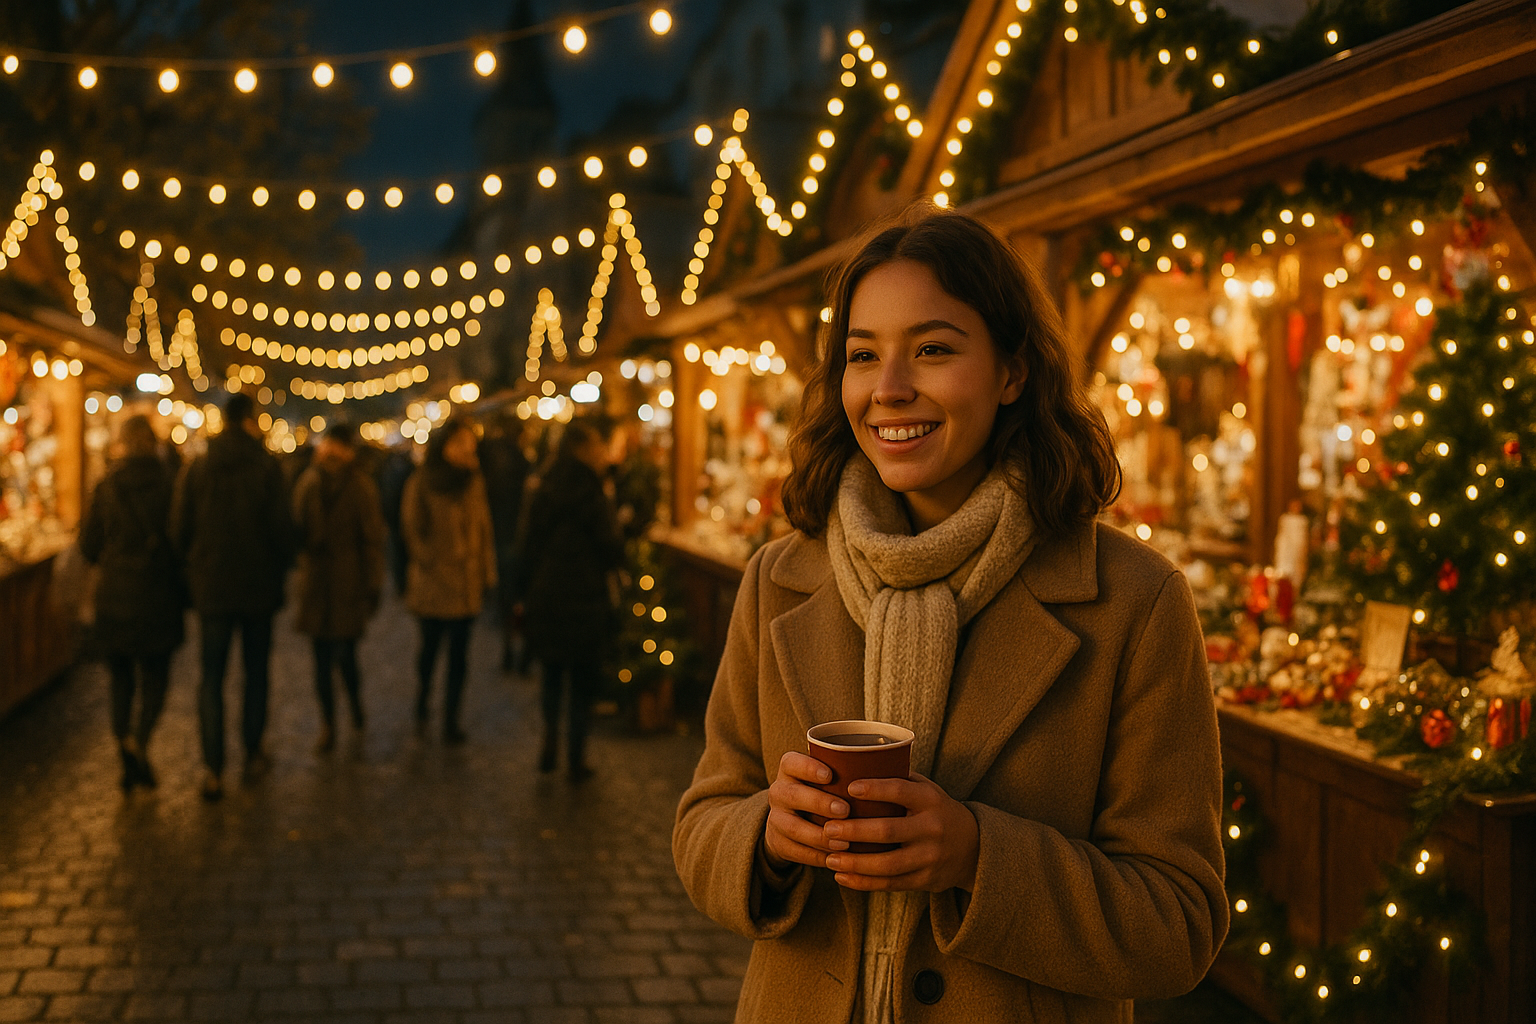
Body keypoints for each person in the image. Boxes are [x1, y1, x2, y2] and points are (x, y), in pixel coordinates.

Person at [673, 209, 1228, 1023]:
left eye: (932, 349)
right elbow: (702, 822)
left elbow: (1179, 924)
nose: (889, 388)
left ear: (1012, 371)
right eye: (863, 356)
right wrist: (767, 835)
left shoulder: (1133, 603)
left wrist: (977, 854)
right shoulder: (781, 580)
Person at [172, 392, 292, 800]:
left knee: (211, 678)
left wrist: (197, 566)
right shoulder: (267, 468)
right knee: (255, 674)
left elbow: (179, 529)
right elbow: (282, 530)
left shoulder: (199, 468)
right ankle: (253, 752)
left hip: (213, 588)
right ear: (249, 420)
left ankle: (213, 768)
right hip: (258, 588)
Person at [78, 415, 184, 791]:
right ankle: (140, 739)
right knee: (156, 677)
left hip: (115, 595)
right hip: (157, 595)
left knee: (120, 679)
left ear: (122, 443)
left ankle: (124, 741)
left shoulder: (107, 486)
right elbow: (180, 542)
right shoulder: (171, 485)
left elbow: (88, 546)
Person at [519, 418, 624, 781]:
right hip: (584, 596)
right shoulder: (594, 492)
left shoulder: (543, 485)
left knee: (551, 675)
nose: (602, 453)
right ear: (583, 449)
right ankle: (575, 757)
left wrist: (523, 593)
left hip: (547, 594)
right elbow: (611, 548)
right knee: (581, 681)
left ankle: (549, 740)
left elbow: (527, 543)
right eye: (597, 446)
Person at [291, 422, 388, 752]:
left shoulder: (360, 486)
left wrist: (373, 583)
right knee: (320, 661)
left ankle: (355, 709)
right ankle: (328, 723)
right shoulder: (309, 481)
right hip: (318, 583)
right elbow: (297, 527)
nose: (330, 453)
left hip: (348, 582)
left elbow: (372, 539)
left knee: (346, 656)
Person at [402, 417, 496, 744]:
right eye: (459, 442)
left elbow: (483, 526)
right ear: (444, 446)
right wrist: (430, 560)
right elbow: (412, 528)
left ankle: (451, 719)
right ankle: (423, 698)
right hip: (433, 582)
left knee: (460, 657)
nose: (466, 448)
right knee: (429, 651)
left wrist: (486, 570)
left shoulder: (474, 480)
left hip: (466, 582)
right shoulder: (423, 480)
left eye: (470, 442)